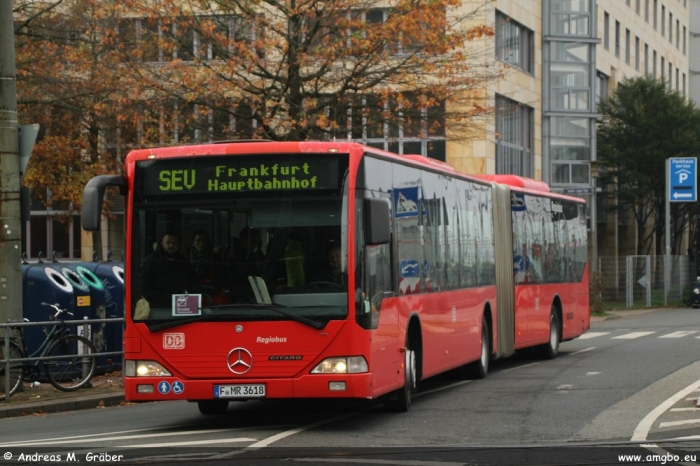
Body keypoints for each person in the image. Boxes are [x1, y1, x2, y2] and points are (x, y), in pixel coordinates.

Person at [141, 232, 198, 308]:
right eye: (168, 243)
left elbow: (193, 287)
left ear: (179, 244)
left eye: (174, 243)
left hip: (182, 307)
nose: (171, 245)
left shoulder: (185, 263)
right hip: (157, 308)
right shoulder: (150, 261)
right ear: (161, 244)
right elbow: (144, 287)